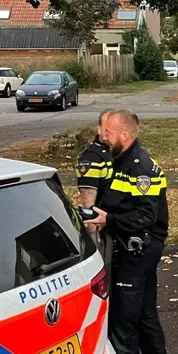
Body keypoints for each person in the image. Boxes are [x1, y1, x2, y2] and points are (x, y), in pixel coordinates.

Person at [85, 109, 172, 354]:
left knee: (123, 320)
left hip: (138, 250)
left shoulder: (142, 168)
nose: (101, 136)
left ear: (123, 135)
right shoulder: (115, 162)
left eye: (106, 132)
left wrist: (109, 219)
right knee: (146, 313)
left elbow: (145, 218)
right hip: (133, 249)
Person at [76, 109, 115, 265]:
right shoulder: (92, 158)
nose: (108, 133)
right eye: (105, 128)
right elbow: (88, 206)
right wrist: (94, 241)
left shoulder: (114, 153)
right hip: (103, 232)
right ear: (99, 129)